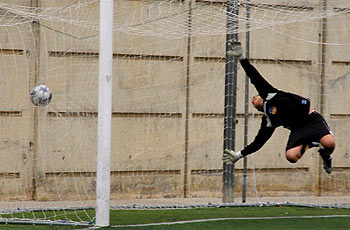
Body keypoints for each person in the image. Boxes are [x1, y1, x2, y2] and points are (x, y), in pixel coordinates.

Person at [222, 41, 335, 174]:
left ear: (261, 96)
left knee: (329, 143)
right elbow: (259, 142)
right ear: (259, 109)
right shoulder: (269, 121)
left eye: (255, 96)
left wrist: (242, 57)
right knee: (291, 157)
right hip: (298, 130)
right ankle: (309, 144)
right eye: (252, 102)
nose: (254, 99)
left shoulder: (270, 94)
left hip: (311, 120)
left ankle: (326, 155)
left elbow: (254, 77)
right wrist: (239, 155)